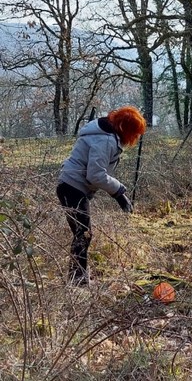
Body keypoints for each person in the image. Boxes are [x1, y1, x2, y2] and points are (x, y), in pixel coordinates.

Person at [57, 105, 147, 285]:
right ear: (126, 129)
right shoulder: (105, 141)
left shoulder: (104, 134)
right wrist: (119, 192)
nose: (135, 138)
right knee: (83, 234)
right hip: (72, 187)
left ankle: (78, 278)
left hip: (70, 186)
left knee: (82, 234)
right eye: (135, 133)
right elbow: (95, 175)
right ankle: (78, 282)